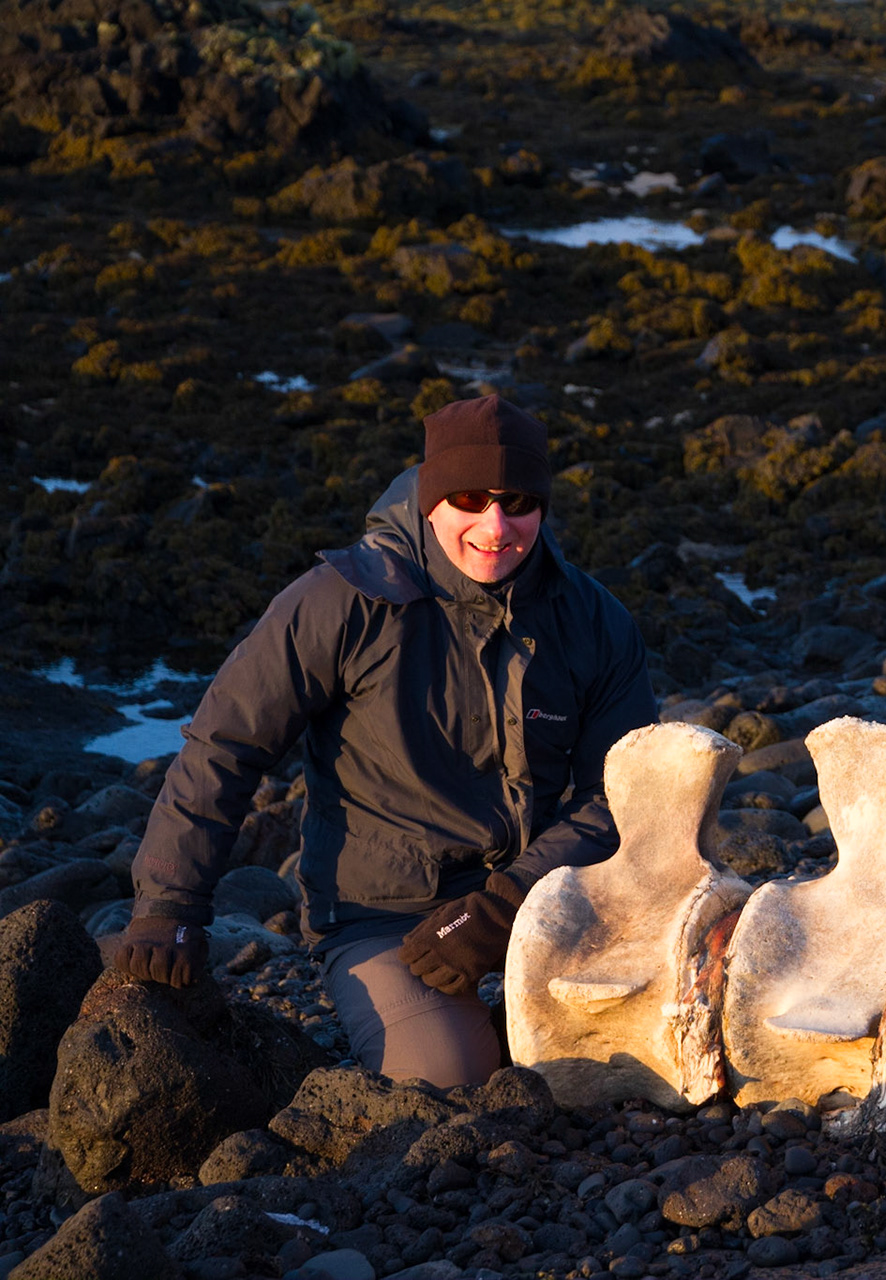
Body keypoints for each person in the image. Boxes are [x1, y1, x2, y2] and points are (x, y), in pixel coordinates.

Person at [115, 395, 658, 1087]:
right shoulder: (341, 600)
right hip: (385, 916)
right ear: (432, 500)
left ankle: (518, 1025)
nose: (496, 526)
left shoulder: (594, 620)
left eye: (518, 502)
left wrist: (507, 902)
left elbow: (622, 791)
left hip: (541, 897)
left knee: (656, 1027)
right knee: (447, 1078)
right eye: (470, 498)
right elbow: (226, 746)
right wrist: (169, 906)